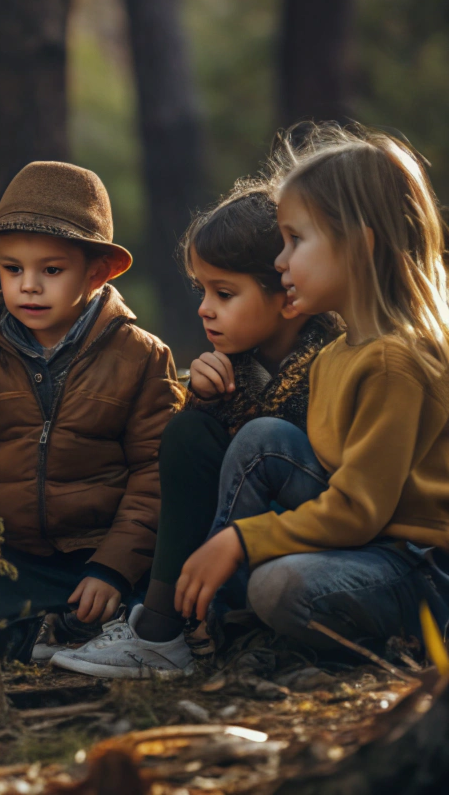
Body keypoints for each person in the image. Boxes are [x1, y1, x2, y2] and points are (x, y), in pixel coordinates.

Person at [173, 126, 449, 657]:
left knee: (280, 586)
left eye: (296, 241)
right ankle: (208, 623)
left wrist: (242, 540)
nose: (280, 262)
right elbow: (319, 479)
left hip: (420, 567)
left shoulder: (395, 362)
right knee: (263, 441)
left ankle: (388, 641)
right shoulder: (338, 352)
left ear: (359, 246)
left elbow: (356, 510)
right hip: (371, 544)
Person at [51, 180, 339, 678]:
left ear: (287, 296)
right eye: (202, 290)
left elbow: (295, 465)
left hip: (322, 541)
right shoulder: (233, 365)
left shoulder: (335, 358)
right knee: (186, 433)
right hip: (243, 543)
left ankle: (196, 625)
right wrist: (201, 403)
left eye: (224, 293)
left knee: (256, 438)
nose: (205, 308)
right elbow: (202, 472)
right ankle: (160, 630)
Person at [0, 161, 182, 662]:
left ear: (98, 271)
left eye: (51, 271)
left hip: (99, 552)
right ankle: (42, 633)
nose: (29, 286)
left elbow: (155, 474)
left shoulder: (141, 357)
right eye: (14, 269)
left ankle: (84, 625)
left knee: (151, 594)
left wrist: (113, 566)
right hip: (8, 554)